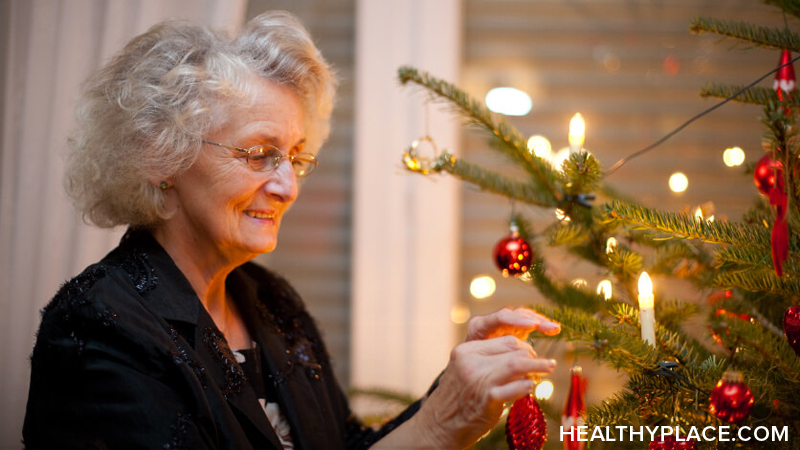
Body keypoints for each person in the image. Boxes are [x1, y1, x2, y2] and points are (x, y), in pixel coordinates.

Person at [22, 10, 560, 450]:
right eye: (259, 155)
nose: (288, 186)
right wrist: (440, 423)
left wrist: (456, 397)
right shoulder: (99, 328)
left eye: (295, 158)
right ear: (161, 157)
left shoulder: (271, 303)